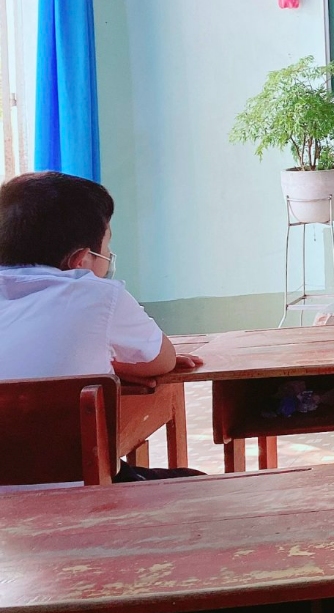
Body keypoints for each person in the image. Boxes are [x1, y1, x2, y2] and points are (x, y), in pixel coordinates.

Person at [0, 171, 204, 481]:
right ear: (82, 260)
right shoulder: (99, 296)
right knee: (195, 482)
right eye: (107, 247)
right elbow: (162, 360)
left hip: (9, 502)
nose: (109, 258)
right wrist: (113, 367)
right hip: (80, 487)